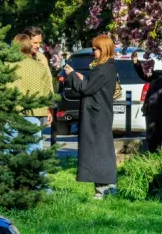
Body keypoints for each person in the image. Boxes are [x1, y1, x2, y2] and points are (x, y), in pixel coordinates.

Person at [63, 34, 118, 200]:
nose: (93, 52)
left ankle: (102, 190)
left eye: (95, 49)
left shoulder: (102, 68)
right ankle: (108, 188)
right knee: (101, 149)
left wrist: (72, 75)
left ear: (103, 49)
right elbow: (92, 85)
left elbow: (86, 89)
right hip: (100, 114)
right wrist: (82, 77)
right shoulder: (108, 67)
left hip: (96, 115)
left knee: (98, 151)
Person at [9, 34, 55, 153]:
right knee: (34, 151)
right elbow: (47, 91)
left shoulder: (8, 65)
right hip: (34, 113)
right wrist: (49, 109)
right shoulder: (40, 67)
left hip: (11, 113)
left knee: (8, 149)